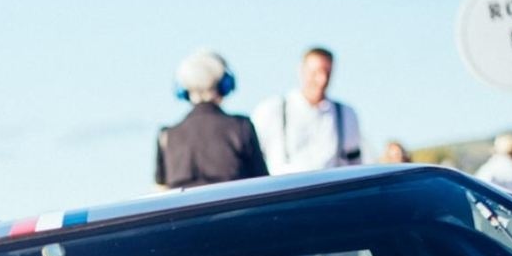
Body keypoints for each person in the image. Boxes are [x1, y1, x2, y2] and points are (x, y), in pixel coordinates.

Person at [154, 49, 268, 189]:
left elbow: (161, 189)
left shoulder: (166, 136)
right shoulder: (241, 127)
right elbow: (263, 184)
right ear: (224, 85)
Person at [251, 46, 363, 174]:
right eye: (315, 73)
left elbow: (355, 164)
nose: (322, 80)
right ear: (301, 71)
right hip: (284, 185)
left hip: (332, 186)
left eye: (327, 73)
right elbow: (252, 159)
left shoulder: (346, 115)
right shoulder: (271, 110)